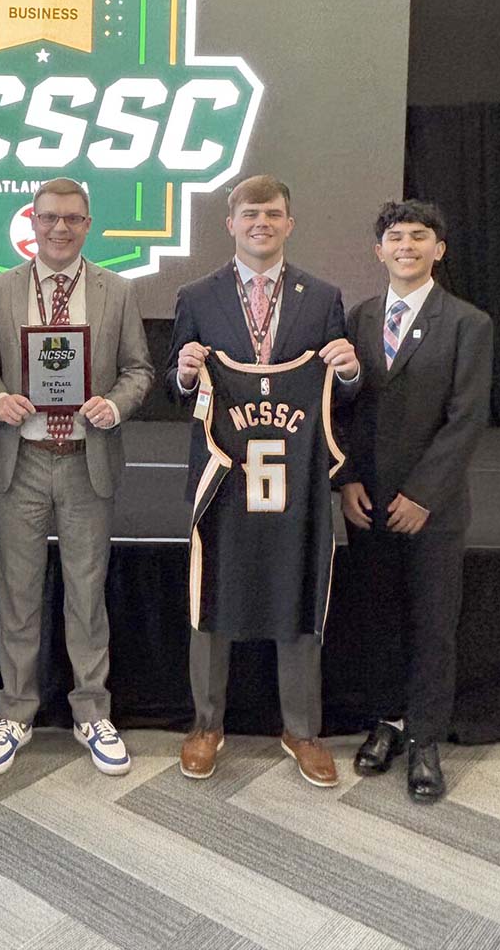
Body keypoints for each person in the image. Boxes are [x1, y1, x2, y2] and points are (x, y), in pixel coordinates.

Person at [166, 174, 359, 787]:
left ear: (289, 223)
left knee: (299, 586)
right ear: (231, 223)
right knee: (211, 591)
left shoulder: (322, 296)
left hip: (296, 475)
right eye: (250, 214)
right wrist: (185, 374)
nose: (261, 223)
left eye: (273, 214)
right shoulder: (197, 295)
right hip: (222, 473)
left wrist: (349, 372)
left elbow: (338, 393)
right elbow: (178, 389)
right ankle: (206, 725)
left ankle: (302, 730)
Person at [0, 178, 153, 776]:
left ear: (88, 224)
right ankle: (15, 713)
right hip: (20, 461)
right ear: (33, 221)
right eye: (49, 217)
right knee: (18, 595)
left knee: (87, 595)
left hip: (84, 461)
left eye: (72, 218)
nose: (60, 228)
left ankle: (92, 712)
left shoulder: (116, 291)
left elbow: (138, 370)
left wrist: (115, 405)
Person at [339, 200, 493, 801]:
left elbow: (467, 417)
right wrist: (348, 479)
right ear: (378, 250)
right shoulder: (358, 318)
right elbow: (343, 409)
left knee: (433, 625)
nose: (406, 245)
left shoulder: (468, 323)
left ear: (439, 249)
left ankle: (425, 740)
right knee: (378, 617)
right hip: (367, 503)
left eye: (419, 236)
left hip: (435, 508)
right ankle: (387, 722)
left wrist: (424, 494)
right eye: (395, 236)